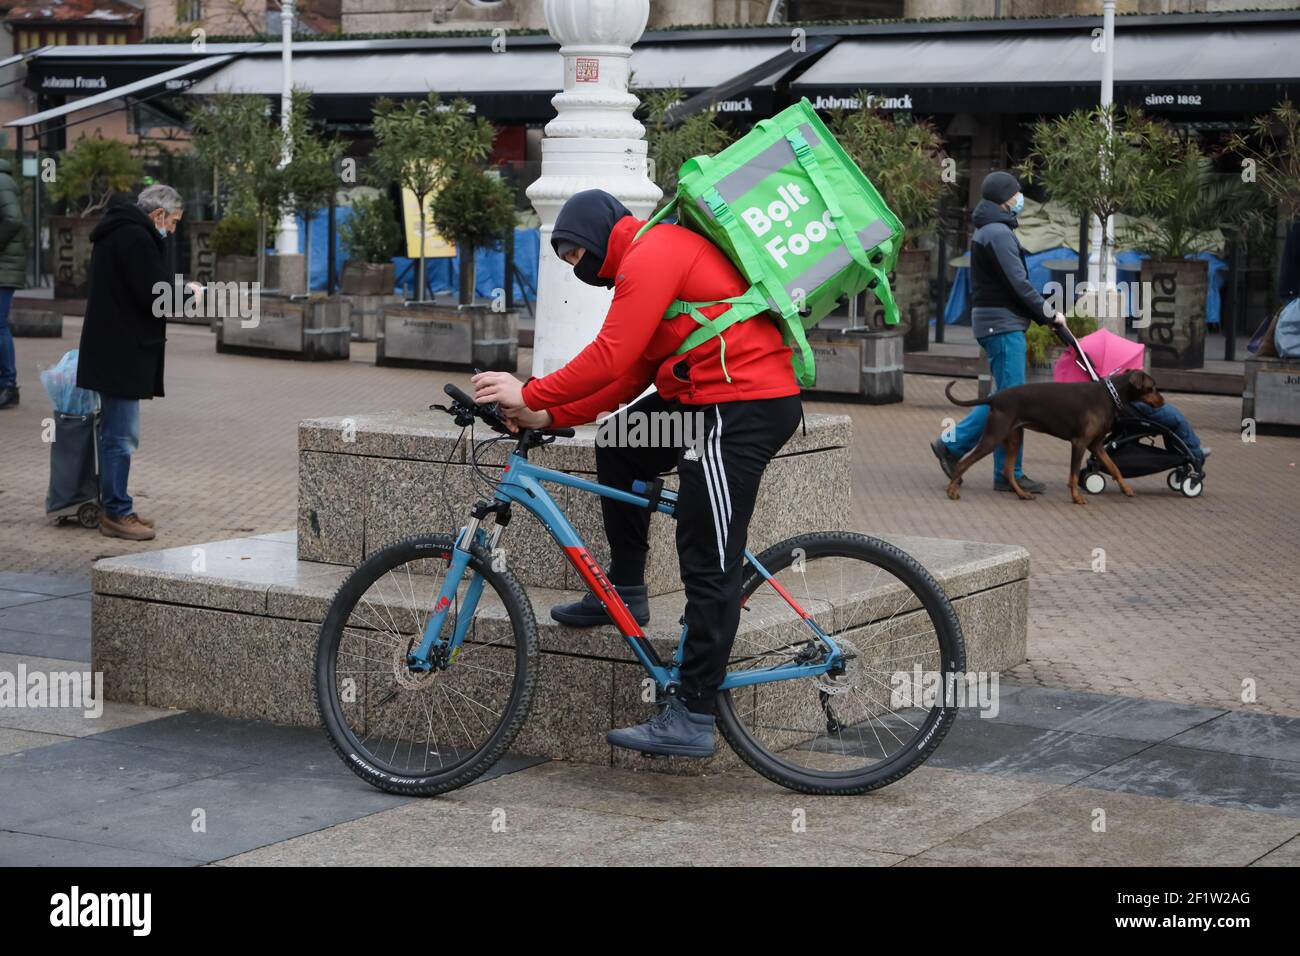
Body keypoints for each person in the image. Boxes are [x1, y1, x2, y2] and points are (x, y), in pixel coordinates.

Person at [473, 189, 803, 758]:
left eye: (576, 253)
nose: (577, 269)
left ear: (600, 234)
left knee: (706, 553)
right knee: (621, 442)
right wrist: (547, 415)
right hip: (701, 401)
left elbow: (612, 353)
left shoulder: (653, 252)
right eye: (566, 260)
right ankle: (623, 591)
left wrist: (529, 390)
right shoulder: (642, 267)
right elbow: (627, 381)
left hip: (741, 405)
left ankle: (694, 713)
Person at [930, 170, 1067, 492]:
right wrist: (1049, 315)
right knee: (1012, 404)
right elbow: (1018, 283)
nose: (1021, 197)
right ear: (1006, 198)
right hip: (1002, 324)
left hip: (995, 322)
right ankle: (985, 462)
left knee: (1005, 400)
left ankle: (997, 468)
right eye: (1017, 192)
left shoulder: (990, 229)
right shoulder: (998, 233)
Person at [76, 184, 186, 541]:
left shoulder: (121, 231)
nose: (172, 231)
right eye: (172, 223)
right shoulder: (135, 238)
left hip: (114, 348)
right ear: (158, 215)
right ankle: (117, 513)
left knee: (118, 433)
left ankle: (119, 505)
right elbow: (154, 294)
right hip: (120, 352)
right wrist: (190, 293)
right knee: (121, 436)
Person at [0, 157, 26, 410]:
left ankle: (8, 385)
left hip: (4, 268)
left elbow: (14, 219)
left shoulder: (1, 181)